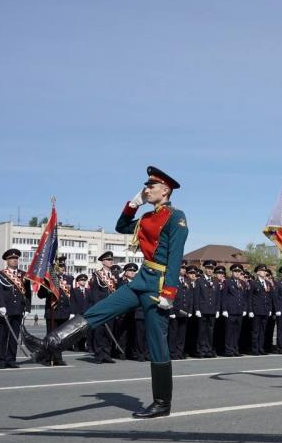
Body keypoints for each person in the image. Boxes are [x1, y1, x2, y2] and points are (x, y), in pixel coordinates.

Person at [23, 166, 188, 418]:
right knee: (100, 310)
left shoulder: (175, 217)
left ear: (165, 190)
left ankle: (162, 403)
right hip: (142, 279)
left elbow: (175, 257)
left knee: (157, 343)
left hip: (158, 284)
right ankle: (49, 345)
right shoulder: (146, 218)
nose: (147, 190)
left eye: (151, 186)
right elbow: (122, 226)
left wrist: (169, 293)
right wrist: (134, 204)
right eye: (146, 186)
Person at [0, 248, 32, 369]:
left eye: (16, 258)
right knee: (3, 336)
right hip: (5, 310)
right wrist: (2, 305)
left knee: (15, 336)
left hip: (18, 309)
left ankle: (11, 359)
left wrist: (27, 308)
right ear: (7, 261)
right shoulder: (0, 275)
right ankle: (1, 360)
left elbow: (27, 293)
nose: (14, 261)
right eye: (11, 259)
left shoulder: (24, 275)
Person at [37, 255, 73, 366]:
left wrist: (71, 311)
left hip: (64, 312)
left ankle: (58, 358)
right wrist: (48, 289)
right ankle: (48, 358)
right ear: (55, 267)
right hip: (53, 312)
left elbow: (71, 296)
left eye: (63, 266)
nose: (62, 268)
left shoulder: (69, 279)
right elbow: (40, 295)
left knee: (61, 338)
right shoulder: (49, 279)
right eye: (60, 266)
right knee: (51, 337)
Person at [88, 251, 117, 363]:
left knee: (109, 332)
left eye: (111, 260)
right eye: (109, 260)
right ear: (103, 262)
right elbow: (95, 292)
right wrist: (99, 307)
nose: (111, 262)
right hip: (101, 307)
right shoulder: (97, 274)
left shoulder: (114, 275)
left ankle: (107, 354)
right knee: (99, 331)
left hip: (112, 307)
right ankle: (99, 354)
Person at [222, 264, 248, 357]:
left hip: (239, 311)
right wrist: (224, 309)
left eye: (238, 272)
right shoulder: (227, 282)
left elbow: (244, 297)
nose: (237, 273)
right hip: (230, 311)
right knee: (229, 332)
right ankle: (229, 350)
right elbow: (224, 296)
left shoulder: (242, 283)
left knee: (237, 332)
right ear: (232, 272)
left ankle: (235, 349)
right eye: (235, 271)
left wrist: (245, 309)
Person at [196, 260, 221, 358]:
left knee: (210, 332)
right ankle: (201, 350)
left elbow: (218, 297)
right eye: (208, 268)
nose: (210, 270)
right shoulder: (200, 281)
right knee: (201, 331)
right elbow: (197, 296)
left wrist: (218, 309)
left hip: (212, 311)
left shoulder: (215, 282)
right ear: (205, 269)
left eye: (211, 269)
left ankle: (208, 349)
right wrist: (197, 309)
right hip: (202, 310)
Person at [248, 264, 274, 355]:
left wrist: (270, 309)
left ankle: (260, 348)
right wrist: (250, 310)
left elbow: (269, 297)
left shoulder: (268, 283)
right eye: (262, 271)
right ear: (258, 272)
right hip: (256, 310)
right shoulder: (253, 283)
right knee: (255, 331)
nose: (264, 272)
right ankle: (255, 349)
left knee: (263, 331)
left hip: (265, 310)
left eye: (265, 271)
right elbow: (250, 297)